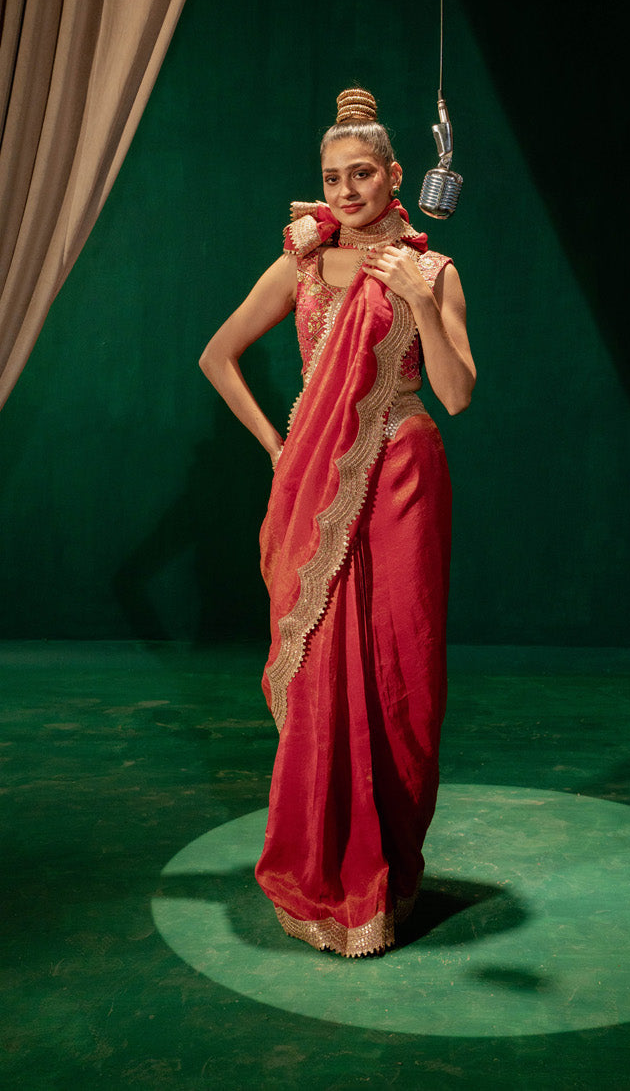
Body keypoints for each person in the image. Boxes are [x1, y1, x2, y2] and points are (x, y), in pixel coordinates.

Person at [199, 87, 475, 956]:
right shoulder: (304, 258)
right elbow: (218, 355)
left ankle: (393, 865)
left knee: (404, 679)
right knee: (324, 673)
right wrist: (282, 446)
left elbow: (459, 395)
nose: (347, 191)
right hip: (319, 484)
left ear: (398, 176)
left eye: (362, 174)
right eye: (333, 177)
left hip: (402, 476)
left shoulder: (432, 269)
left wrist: (418, 297)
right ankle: (328, 878)